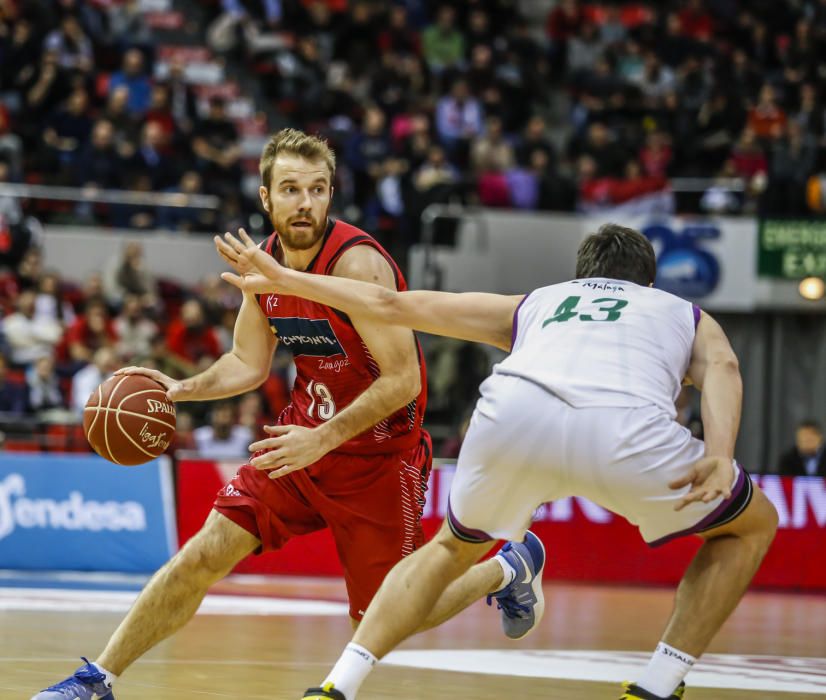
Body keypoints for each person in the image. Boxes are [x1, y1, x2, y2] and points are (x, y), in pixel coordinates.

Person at [31, 128, 530, 700]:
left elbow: (405, 381)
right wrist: (179, 389)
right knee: (200, 556)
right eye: (290, 189)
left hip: (377, 459)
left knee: (392, 616)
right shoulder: (264, 263)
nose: (305, 202)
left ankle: (508, 567)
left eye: (318, 189)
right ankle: (97, 680)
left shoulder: (357, 266)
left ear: (331, 194)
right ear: (266, 197)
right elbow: (247, 361)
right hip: (297, 443)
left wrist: (324, 439)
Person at [216, 223, 779, 700]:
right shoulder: (682, 311)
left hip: (512, 413)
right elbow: (724, 369)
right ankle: (658, 683)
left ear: (579, 275)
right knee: (749, 528)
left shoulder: (537, 303)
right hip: (625, 428)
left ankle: (338, 686)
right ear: (649, 282)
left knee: (447, 550)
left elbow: (391, 304)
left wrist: (285, 278)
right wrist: (721, 455)